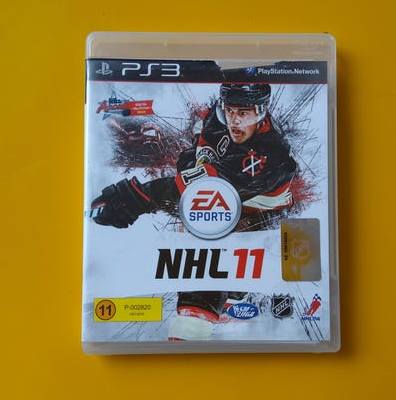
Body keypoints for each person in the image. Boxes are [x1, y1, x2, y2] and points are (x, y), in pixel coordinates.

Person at [90, 83, 297, 340]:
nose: (234, 120)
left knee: (208, 240)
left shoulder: (269, 155)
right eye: (230, 111)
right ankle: (228, 298)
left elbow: (199, 188)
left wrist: (135, 198)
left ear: (261, 112)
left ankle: (196, 325)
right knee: (205, 221)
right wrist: (196, 158)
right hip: (230, 201)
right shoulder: (218, 117)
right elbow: (203, 145)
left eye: (243, 113)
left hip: (262, 217)